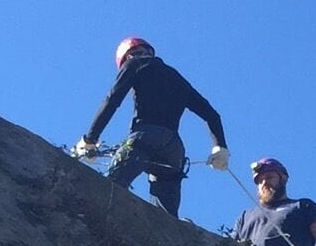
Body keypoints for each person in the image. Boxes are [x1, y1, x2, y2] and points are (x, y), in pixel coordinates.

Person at [74, 38, 229, 219]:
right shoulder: (175, 76)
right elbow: (212, 115)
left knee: (111, 190)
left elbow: (112, 101)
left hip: (144, 137)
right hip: (173, 149)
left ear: (128, 56)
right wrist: (220, 147)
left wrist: (90, 139)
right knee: (166, 218)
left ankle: (100, 226)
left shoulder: (134, 64)